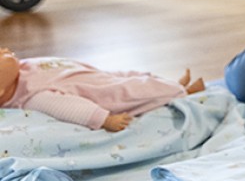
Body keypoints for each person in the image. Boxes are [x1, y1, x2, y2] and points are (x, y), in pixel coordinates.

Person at [0, 47, 205, 131]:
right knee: (134, 90)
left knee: (133, 75)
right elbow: (68, 107)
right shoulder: (31, 96)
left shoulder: (22, 68)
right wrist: (103, 119)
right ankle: (184, 93)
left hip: (95, 75)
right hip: (101, 92)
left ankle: (173, 85)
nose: (4, 50)